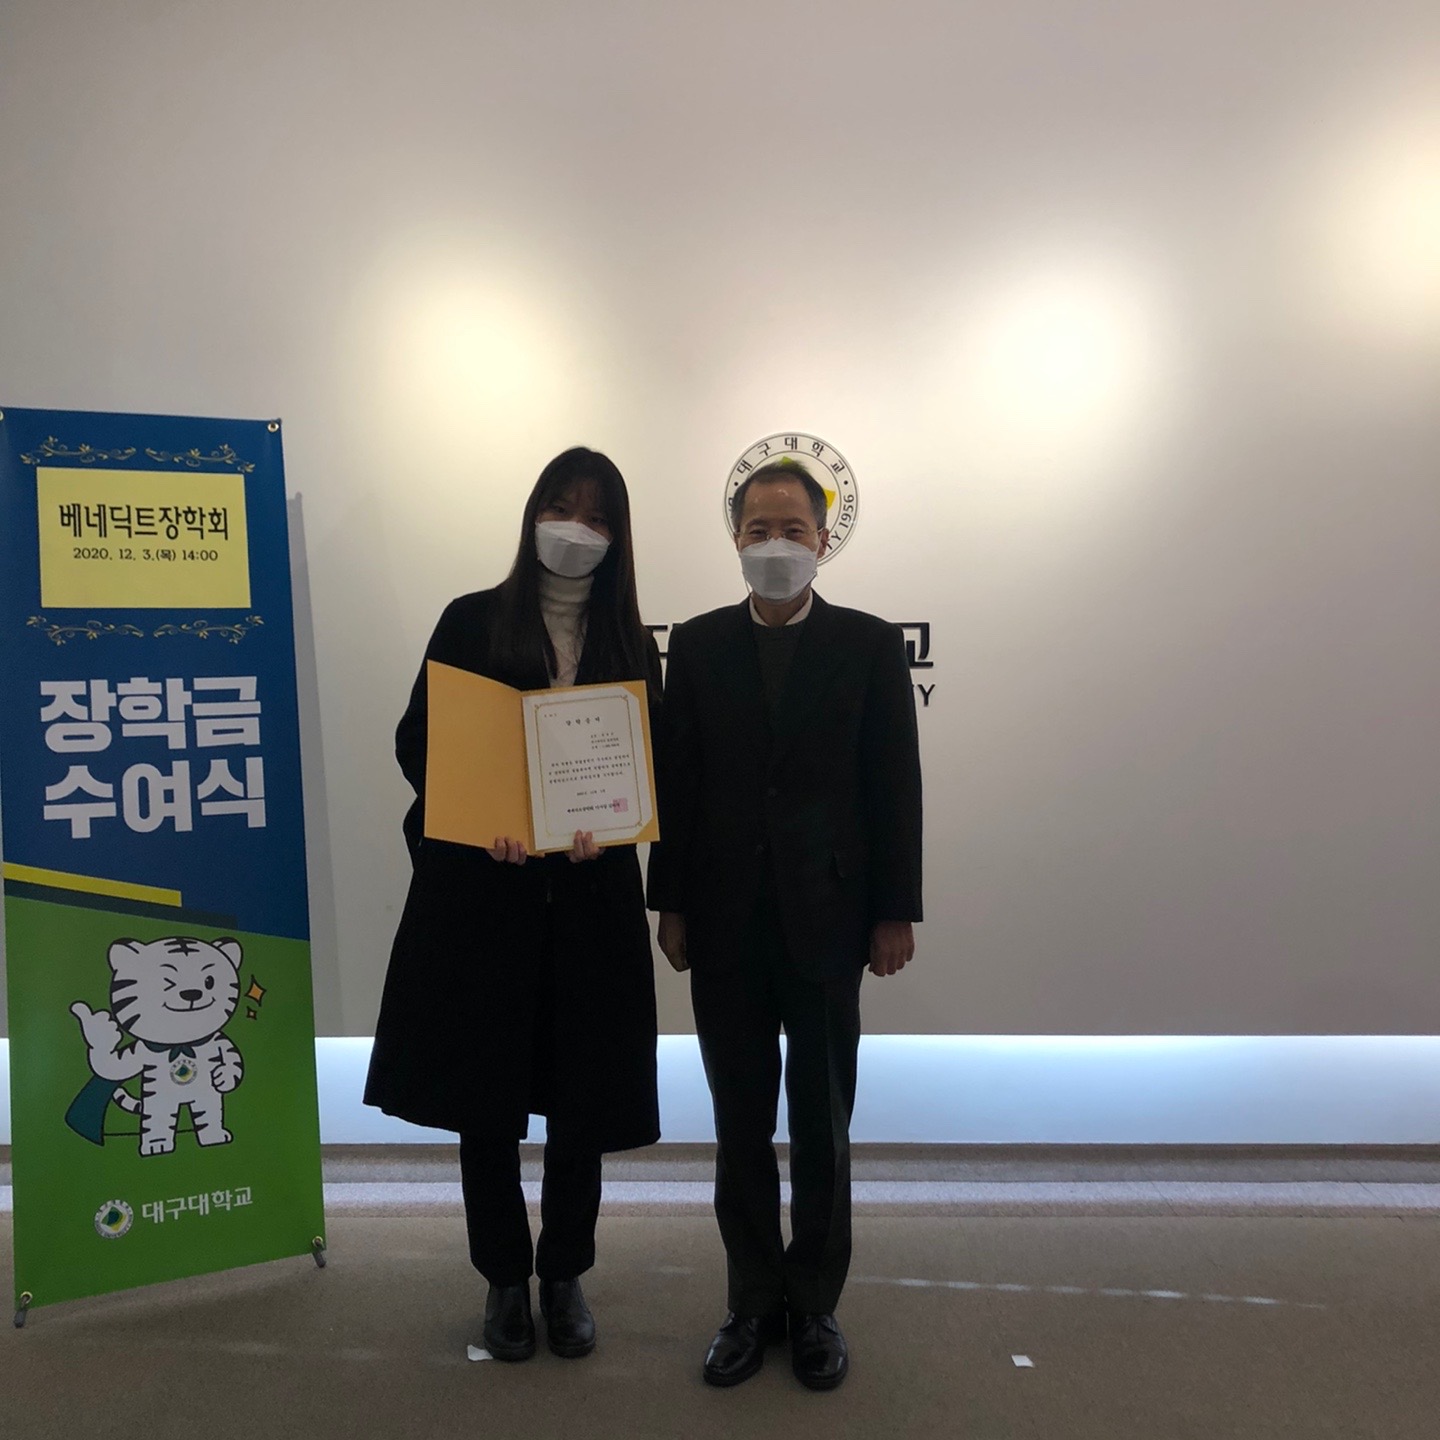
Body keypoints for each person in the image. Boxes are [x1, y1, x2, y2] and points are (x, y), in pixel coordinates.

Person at [365, 447, 663, 1363]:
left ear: (618, 538)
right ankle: (503, 1277)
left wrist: (610, 825)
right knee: (484, 1097)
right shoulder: (471, 619)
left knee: (583, 1097)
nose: (576, 530)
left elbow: (653, 768)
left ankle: (565, 1273)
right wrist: (480, 816)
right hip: (484, 899)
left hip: (590, 902)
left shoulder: (631, 641)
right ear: (532, 514)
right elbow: (418, 742)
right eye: (560, 507)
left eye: (597, 517)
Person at [647, 458, 923, 1391]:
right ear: (736, 539)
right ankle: (751, 1302)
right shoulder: (698, 643)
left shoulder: (870, 644)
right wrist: (670, 901)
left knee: (821, 1127)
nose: (776, 545)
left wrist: (894, 910)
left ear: (822, 539)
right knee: (738, 1125)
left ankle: (814, 1305)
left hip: (830, 918)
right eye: (758, 530)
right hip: (723, 917)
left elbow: (894, 786)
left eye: (792, 530)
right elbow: (679, 784)